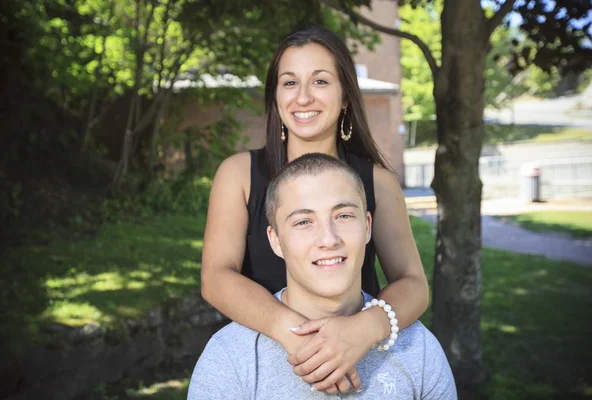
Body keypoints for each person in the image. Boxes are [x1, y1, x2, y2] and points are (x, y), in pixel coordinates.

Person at [201, 26, 429, 393]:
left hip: (360, 363)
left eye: (320, 81)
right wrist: (298, 337)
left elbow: (414, 285)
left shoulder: (379, 183)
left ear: (344, 98)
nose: (302, 97)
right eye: (289, 83)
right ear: (275, 96)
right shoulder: (239, 175)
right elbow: (215, 278)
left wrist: (363, 330)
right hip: (263, 364)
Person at [188, 154, 456, 399]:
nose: (328, 239)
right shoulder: (231, 358)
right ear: (276, 240)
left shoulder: (418, 350)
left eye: (343, 215)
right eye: (303, 221)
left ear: (367, 227)